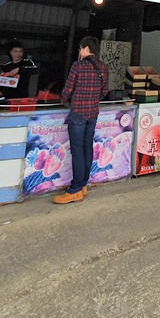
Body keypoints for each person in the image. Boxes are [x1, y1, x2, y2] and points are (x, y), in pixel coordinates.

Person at [53, 36, 108, 205]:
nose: (79, 52)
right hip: (93, 113)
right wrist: (92, 100)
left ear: (85, 49)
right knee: (87, 148)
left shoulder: (78, 66)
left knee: (77, 151)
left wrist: (65, 100)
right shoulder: (103, 67)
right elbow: (104, 91)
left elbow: (68, 89)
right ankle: (83, 184)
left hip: (78, 113)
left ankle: (75, 189)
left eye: (80, 49)